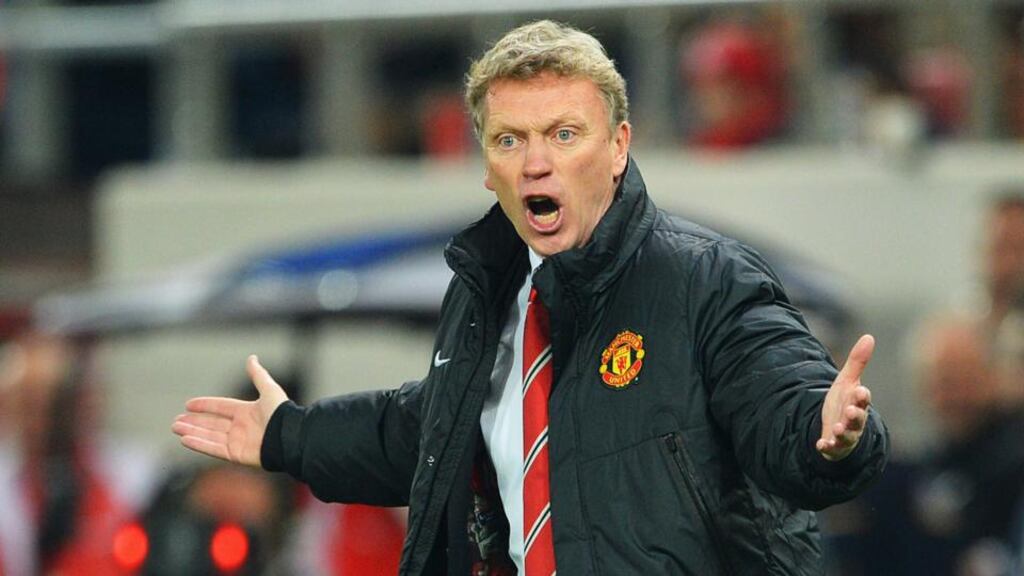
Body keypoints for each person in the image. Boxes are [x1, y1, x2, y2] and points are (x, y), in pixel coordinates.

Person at [173, 20, 889, 575]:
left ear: (618, 147)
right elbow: (429, 433)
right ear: (488, 170)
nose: (536, 161)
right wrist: (289, 437)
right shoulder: (485, 297)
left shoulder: (706, 280)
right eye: (510, 140)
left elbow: (783, 411)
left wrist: (827, 436)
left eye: (563, 134)